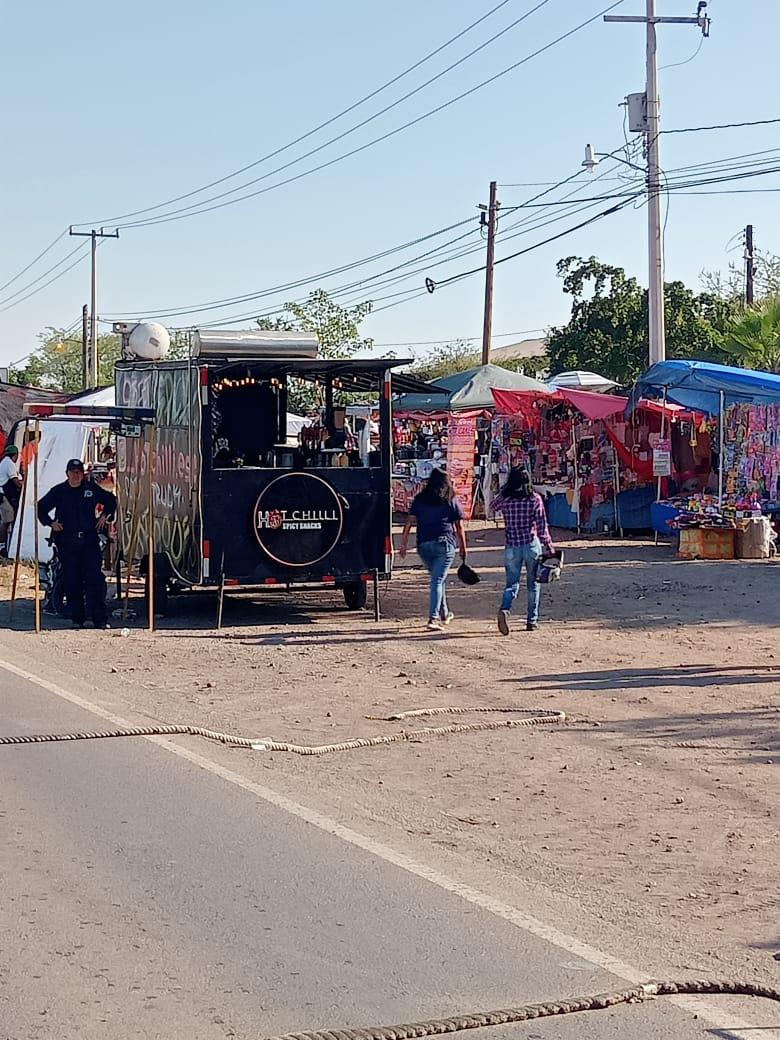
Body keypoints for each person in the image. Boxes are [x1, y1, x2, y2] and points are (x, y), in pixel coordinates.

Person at [37, 459, 117, 629]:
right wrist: (51, 523)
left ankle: (99, 619)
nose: (76, 475)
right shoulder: (59, 491)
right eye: (73, 472)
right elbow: (41, 508)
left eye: (79, 472)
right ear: (67, 474)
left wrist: (105, 516)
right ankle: (77, 619)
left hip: (89, 540)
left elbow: (111, 500)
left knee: (94, 579)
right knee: (72, 580)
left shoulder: (90, 489)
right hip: (67, 541)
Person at [399, 468, 467, 631]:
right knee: (437, 579)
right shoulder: (450, 499)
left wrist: (403, 544)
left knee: (438, 578)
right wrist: (464, 547)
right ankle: (433, 618)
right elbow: (459, 526)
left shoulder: (420, 499)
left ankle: (444, 613)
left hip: (424, 545)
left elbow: (409, 522)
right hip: (445, 544)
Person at [490, 467, 555, 635]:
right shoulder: (535, 499)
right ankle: (532, 621)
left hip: (512, 545)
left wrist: (504, 491)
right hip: (531, 544)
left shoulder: (506, 499)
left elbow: (492, 506)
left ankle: (505, 608)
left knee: (512, 583)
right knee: (534, 584)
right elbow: (542, 527)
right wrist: (549, 546)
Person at [0, 444, 23, 556]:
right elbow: (15, 481)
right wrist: (23, 486)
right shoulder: (9, 463)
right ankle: (2, 546)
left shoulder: (4, 462)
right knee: (7, 520)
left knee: (7, 520)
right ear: (15, 455)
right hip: (2, 495)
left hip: (3, 494)